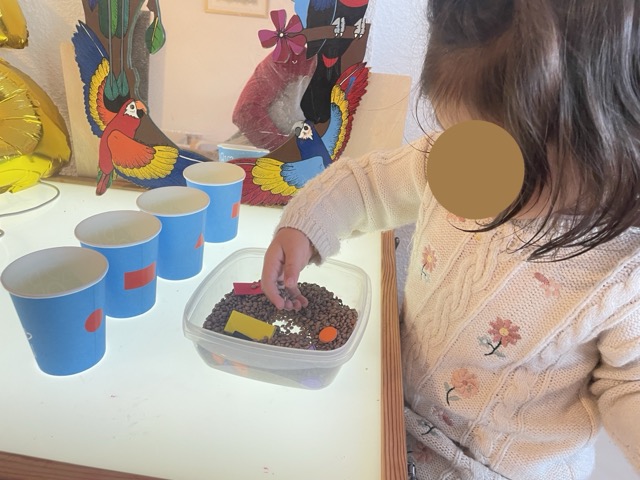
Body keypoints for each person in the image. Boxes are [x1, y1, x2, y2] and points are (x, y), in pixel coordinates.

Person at [259, 1, 640, 478]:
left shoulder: (624, 275)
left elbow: (632, 386)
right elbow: (368, 185)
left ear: (610, 148)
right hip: (392, 410)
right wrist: (306, 224)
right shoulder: (455, 159)